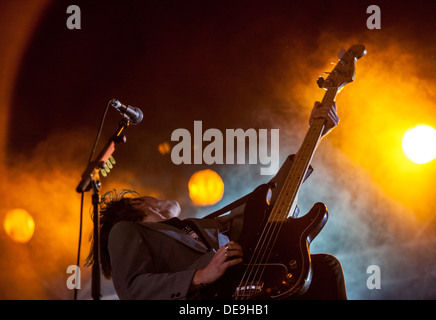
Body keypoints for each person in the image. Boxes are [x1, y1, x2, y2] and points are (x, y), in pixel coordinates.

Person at [87, 101, 347, 300]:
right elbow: (133, 289)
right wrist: (201, 276)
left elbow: (273, 199)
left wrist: (314, 135)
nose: (158, 196)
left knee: (324, 269)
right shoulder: (125, 229)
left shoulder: (204, 226)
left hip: (245, 288)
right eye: (147, 196)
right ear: (136, 207)